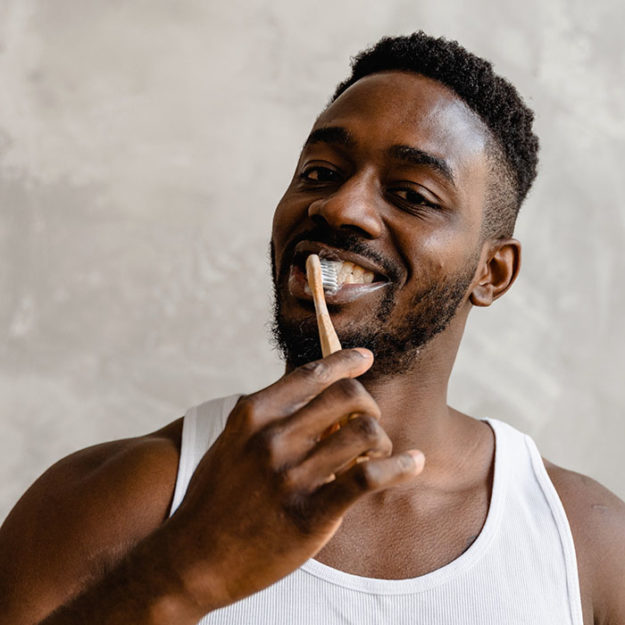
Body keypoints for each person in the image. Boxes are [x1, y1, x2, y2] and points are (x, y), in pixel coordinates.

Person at [1, 31, 623, 625]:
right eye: (321, 173)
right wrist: (180, 571)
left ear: (492, 272)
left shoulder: (591, 546)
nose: (339, 207)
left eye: (412, 194)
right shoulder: (104, 502)